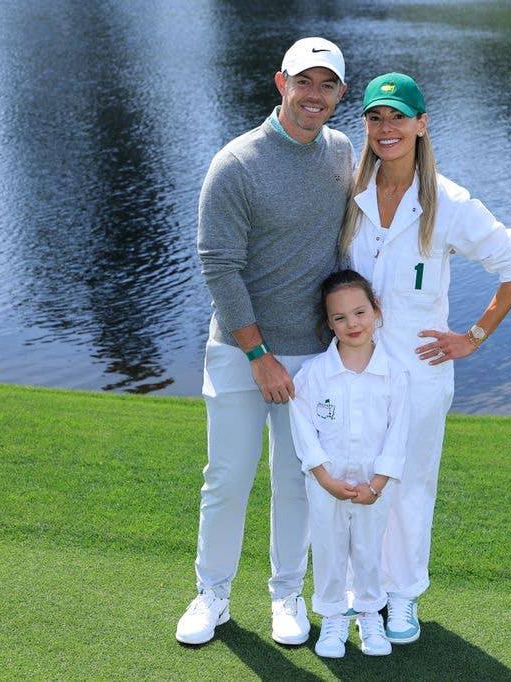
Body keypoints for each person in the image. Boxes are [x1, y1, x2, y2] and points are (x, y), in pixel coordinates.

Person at [339, 72, 511, 644]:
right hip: (355, 374)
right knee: (355, 482)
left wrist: (473, 336)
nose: (386, 128)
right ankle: (360, 596)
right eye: (375, 117)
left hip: (421, 376)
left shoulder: (448, 203)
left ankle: (402, 599)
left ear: (422, 125)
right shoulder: (347, 195)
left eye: (398, 117)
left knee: (409, 489)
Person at [175, 37, 353, 646]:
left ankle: (286, 596)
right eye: (305, 82)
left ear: (340, 95)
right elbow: (218, 265)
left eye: (327, 85)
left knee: (297, 480)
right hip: (239, 350)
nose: (315, 95)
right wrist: (258, 355)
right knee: (227, 475)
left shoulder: (341, 153)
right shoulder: (237, 163)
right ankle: (213, 594)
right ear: (282, 83)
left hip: (312, 353)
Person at [289, 270, 409, 658]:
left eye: (360, 312)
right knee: (327, 547)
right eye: (339, 318)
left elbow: (398, 434)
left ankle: (370, 613)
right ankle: (333, 617)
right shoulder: (313, 375)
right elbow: (304, 429)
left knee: (370, 550)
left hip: (375, 486)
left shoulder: (394, 374)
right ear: (328, 324)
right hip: (327, 484)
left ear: (376, 311)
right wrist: (324, 477)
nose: (352, 324)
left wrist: (377, 483)